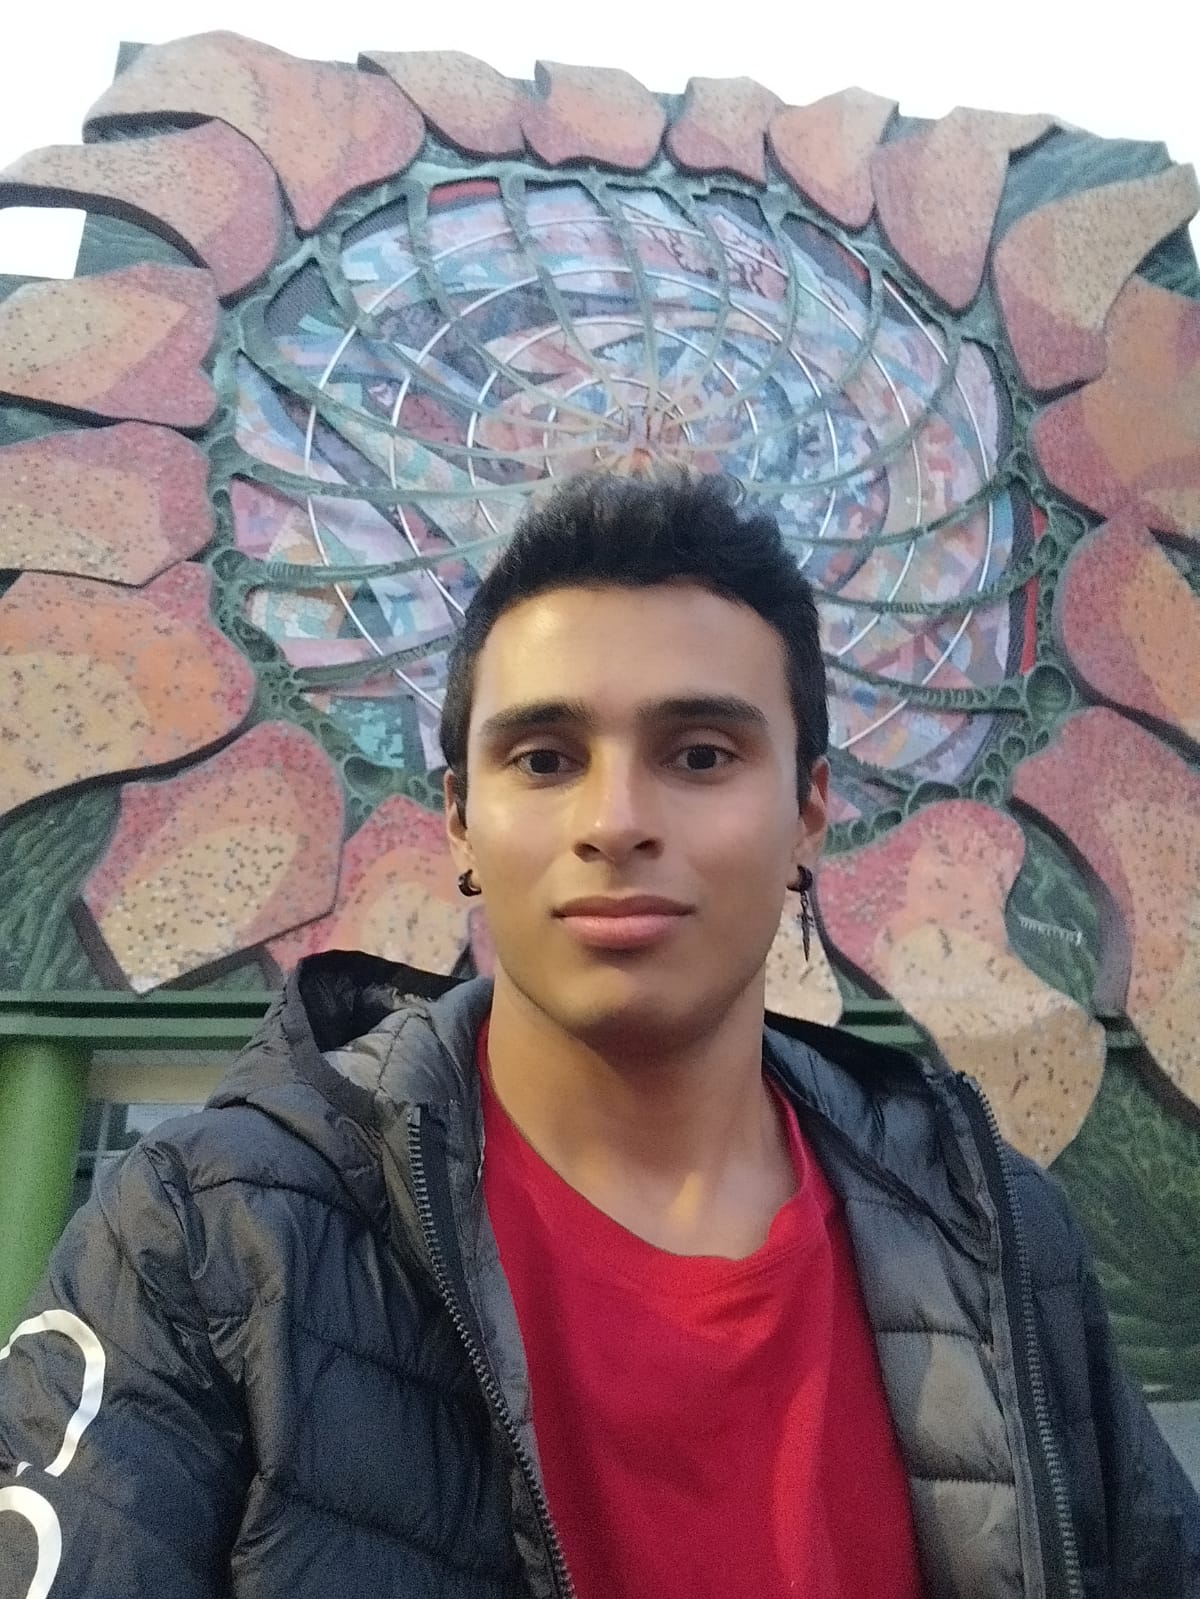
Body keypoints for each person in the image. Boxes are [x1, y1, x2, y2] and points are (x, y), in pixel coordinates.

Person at [0, 470, 1196, 1599]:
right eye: (544, 759)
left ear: (808, 815)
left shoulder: (990, 1224)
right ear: (461, 821)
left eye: (701, 755)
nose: (615, 821)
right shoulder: (209, 1233)